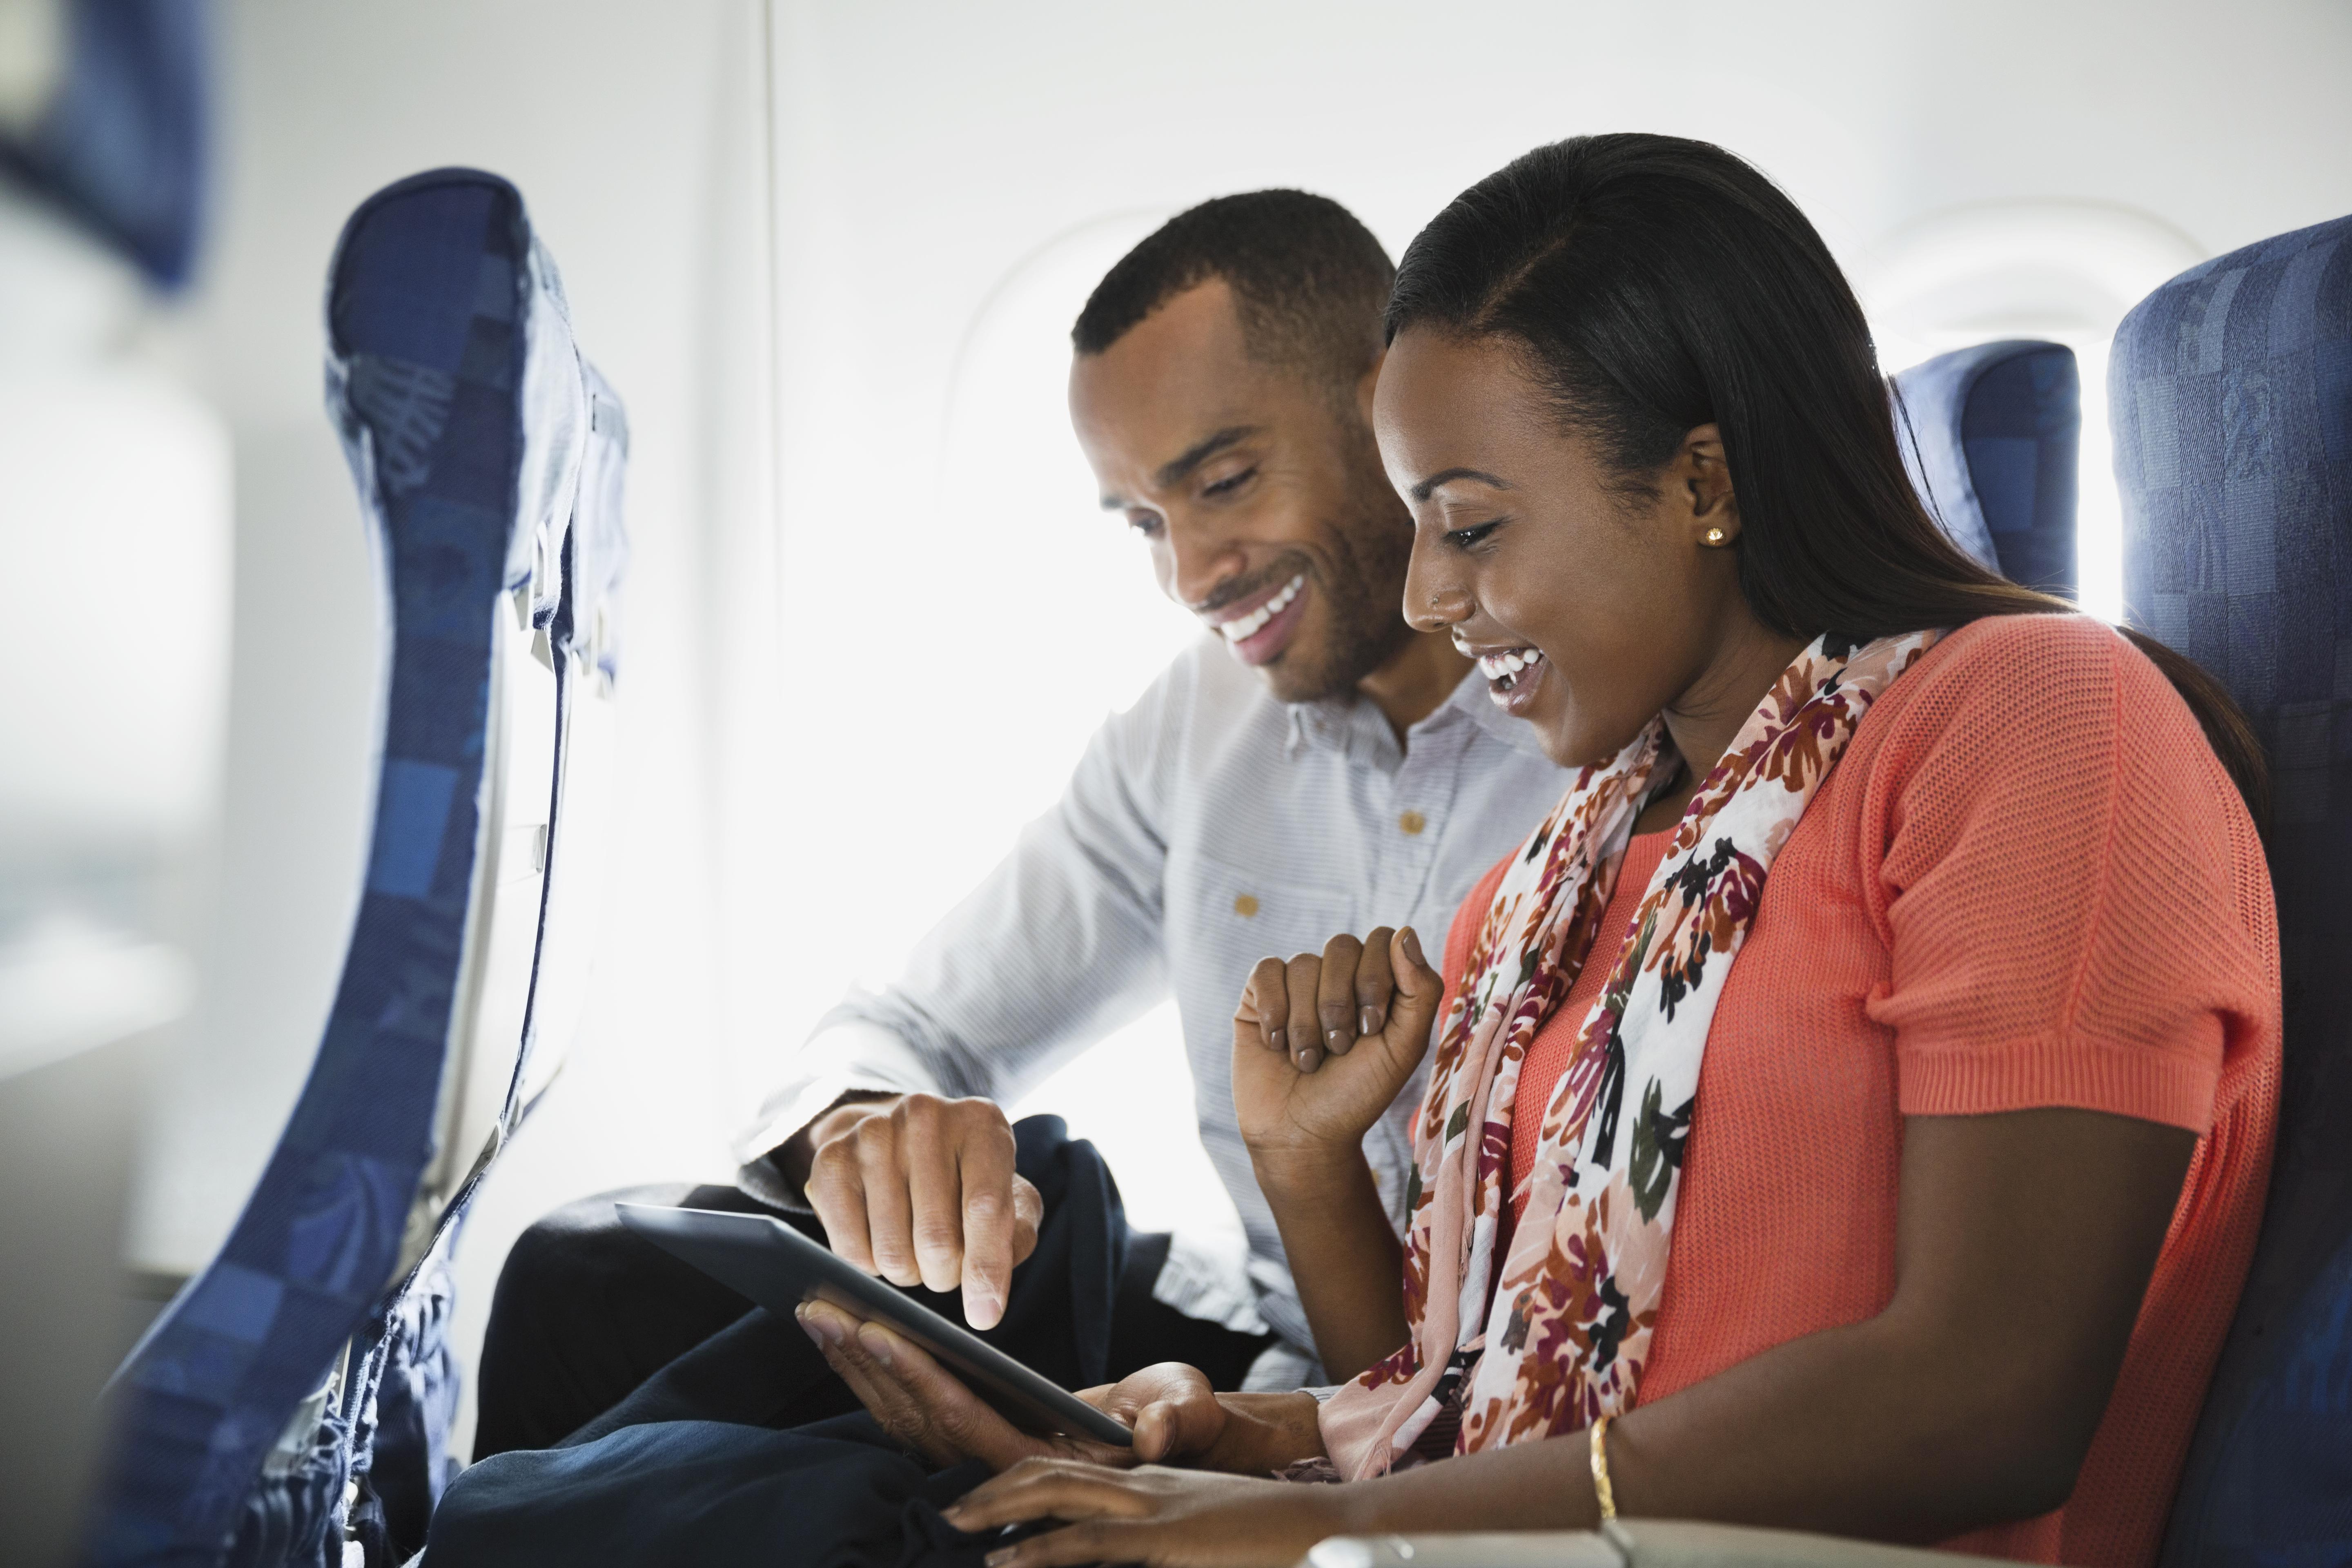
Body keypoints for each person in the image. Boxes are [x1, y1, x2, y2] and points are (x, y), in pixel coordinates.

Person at [751, 134, 2281, 1568]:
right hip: (1546, 1546)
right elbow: (1439, 1393)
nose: (1425, 595)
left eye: (1471, 529)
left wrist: (1304, 1534)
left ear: (1704, 483)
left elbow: (1986, 1400)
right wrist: (1261, 1370)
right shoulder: (1576, 856)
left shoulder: (2029, 724)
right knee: (765, 1466)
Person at [471, 191, 1571, 1457]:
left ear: (1389, 401)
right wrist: (866, 1130)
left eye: (1224, 481)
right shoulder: (1197, 726)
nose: (1194, 575)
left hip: (1454, 1395)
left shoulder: (1582, 719)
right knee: (587, 1284)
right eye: (1149, 523)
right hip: (1251, 1334)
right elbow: (911, 1024)